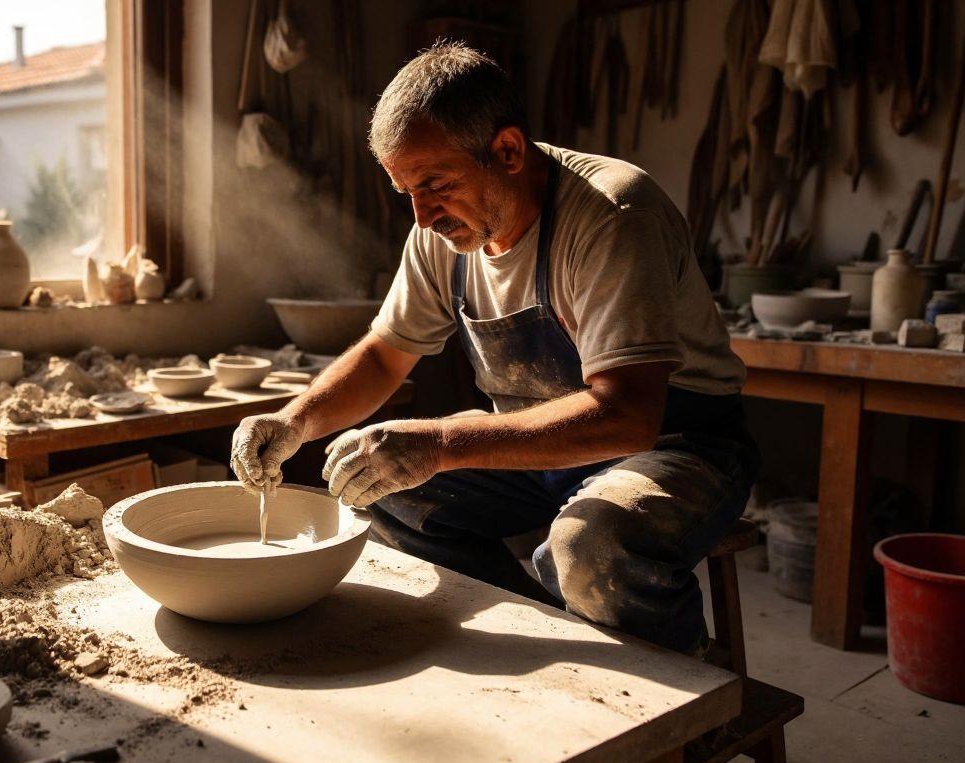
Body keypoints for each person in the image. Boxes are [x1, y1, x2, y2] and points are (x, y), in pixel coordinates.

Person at [230, 42, 758, 656]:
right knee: (380, 489)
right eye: (406, 192)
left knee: (591, 548)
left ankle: (688, 705)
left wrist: (443, 443)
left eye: (435, 185)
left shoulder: (613, 215)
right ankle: (546, 639)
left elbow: (629, 415)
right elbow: (384, 353)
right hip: (538, 447)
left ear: (507, 150)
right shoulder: (443, 230)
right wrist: (294, 420)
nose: (423, 216)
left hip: (676, 445)